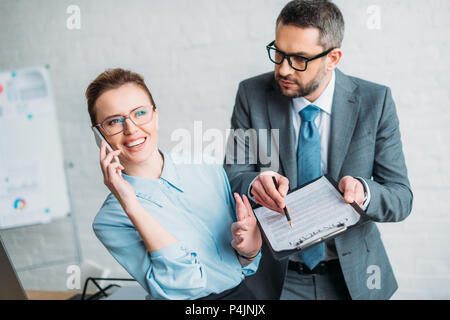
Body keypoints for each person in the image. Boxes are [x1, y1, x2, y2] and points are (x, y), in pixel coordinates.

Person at [224, 0, 413, 300]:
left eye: (299, 58)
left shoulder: (375, 102)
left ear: (333, 58)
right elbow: (233, 176)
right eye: (279, 53)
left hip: (354, 277)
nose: (283, 68)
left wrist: (364, 193)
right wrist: (254, 185)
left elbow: (401, 197)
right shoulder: (252, 94)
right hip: (276, 278)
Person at [86, 68, 262, 300]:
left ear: (155, 115)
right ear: (99, 135)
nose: (131, 129)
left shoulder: (205, 166)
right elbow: (183, 286)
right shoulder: (111, 220)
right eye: (114, 121)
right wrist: (132, 205)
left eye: (139, 113)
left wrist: (249, 251)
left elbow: (242, 264)